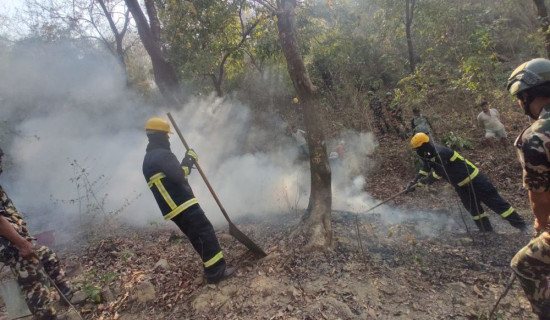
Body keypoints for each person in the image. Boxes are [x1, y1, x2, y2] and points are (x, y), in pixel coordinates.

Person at [142, 117, 234, 284]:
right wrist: (189, 160)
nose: (168, 139)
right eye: (167, 136)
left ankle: (211, 268)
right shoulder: (162, 155)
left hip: (173, 208)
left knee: (198, 236)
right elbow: (179, 175)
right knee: (205, 232)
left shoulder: (148, 158)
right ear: (160, 135)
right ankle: (217, 273)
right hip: (182, 203)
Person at [0, 147, 73, 320]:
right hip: (8, 245)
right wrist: (21, 243)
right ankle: (46, 316)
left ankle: (68, 298)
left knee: (47, 255)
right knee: (30, 276)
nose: (1, 163)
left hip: (14, 241)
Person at [406, 132, 526, 232]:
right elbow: (425, 168)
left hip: (475, 180)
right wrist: (414, 182)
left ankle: (522, 226)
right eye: (416, 149)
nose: (418, 151)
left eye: (419, 148)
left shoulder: (440, 152)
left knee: (497, 204)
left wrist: (424, 182)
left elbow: (440, 172)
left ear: (425, 144)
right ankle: (486, 231)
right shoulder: (427, 155)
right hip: (461, 186)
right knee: (474, 210)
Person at [507, 58, 550, 320]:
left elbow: (540, 197)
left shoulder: (537, 135)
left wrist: (541, 222)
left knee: (524, 264)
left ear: (526, 96)